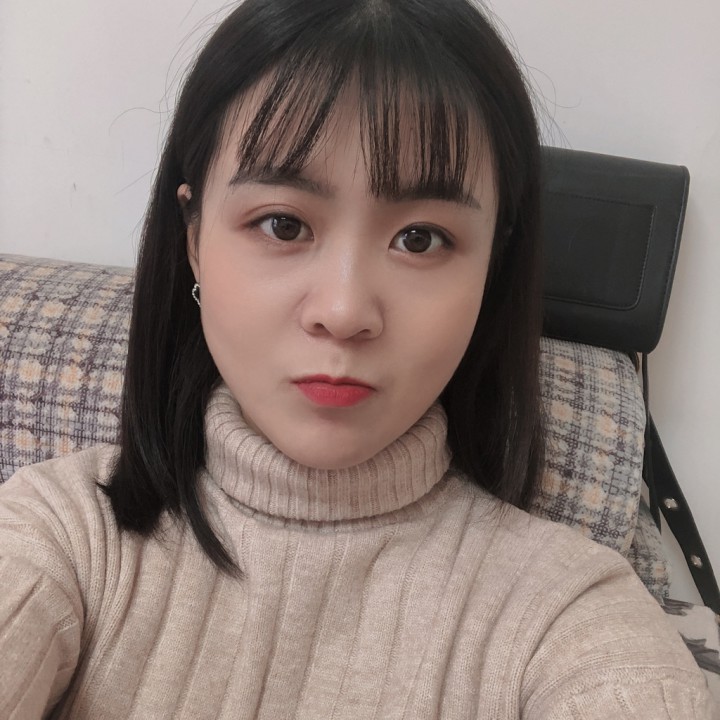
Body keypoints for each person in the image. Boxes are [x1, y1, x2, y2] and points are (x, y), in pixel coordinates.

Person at [0, 0, 715, 717]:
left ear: (491, 267)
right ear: (194, 239)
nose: (343, 312)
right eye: (283, 224)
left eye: (421, 239)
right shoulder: (61, 533)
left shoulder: (567, 612)